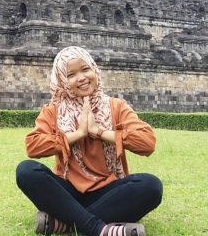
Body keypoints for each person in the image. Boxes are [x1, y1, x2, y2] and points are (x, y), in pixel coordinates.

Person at [16, 46, 162, 236]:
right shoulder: (54, 110)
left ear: (94, 70)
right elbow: (33, 145)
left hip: (109, 192)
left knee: (151, 186)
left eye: (85, 69)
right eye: (71, 74)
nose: (82, 78)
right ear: (62, 81)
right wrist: (78, 134)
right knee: (26, 171)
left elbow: (147, 142)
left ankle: (66, 223)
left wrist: (98, 131)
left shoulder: (116, 106)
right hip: (68, 192)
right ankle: (98, 229)